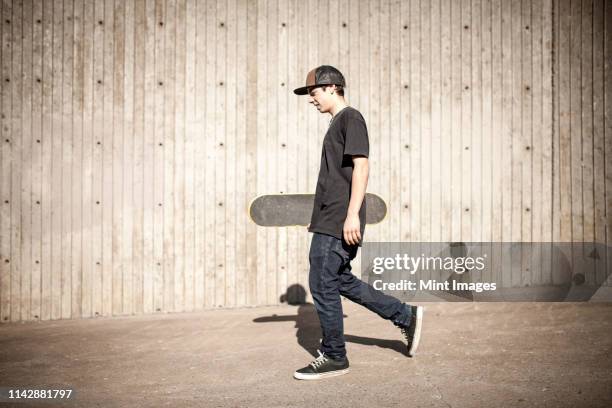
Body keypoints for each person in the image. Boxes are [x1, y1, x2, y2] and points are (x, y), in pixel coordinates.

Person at [292, 65, 424, 380]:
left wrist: (352, 215)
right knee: (338, 281)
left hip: (339, 216)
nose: (311, 100)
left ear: (331, 87)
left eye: (313, 92)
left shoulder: (351, 118)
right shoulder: (338, 122)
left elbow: (361, 166)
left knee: (322, 283)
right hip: (333, 215)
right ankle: (405, 316)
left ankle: (335, 356)